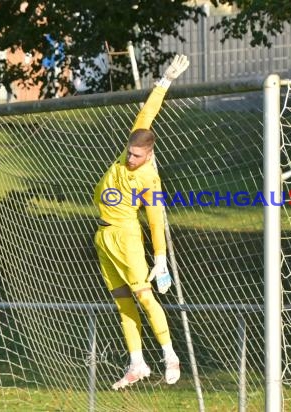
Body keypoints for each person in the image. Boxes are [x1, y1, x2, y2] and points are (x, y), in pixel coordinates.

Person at [93, 54, 189, 390]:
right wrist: (165, 81)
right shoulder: (127, 153)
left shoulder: (149, 179)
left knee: (146, 297)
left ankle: (170, 355)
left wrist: (160, 258)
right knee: (122, 302)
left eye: (136, 156)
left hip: (126, 237)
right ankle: (137, 363)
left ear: (149, 155)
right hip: (103, 237)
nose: (130, 159)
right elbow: (148, 114)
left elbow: (154, 220)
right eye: (129, 153)